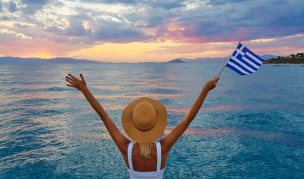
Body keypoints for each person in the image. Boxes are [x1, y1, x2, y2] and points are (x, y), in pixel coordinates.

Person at [65, 73, 220, 179]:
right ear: (155, 124)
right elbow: (187, 120)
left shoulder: (126, 148)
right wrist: (205, 89)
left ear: (133, 124)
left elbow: (103, 115)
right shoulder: (162, 149)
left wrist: (84, 90)